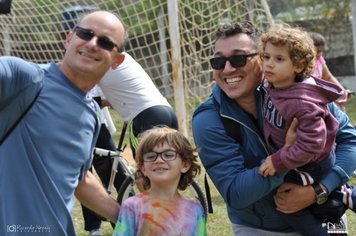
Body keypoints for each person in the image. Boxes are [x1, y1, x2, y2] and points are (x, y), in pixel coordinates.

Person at [192, 21, 356, 235]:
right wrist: (285, 158)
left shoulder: (299, 90)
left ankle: (344, 195)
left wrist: (320, 189)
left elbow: (349, 140)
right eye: (218, 61)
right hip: (260, 228)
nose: (228, 68)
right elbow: (235, 193)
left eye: (238, 58)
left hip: (326, 208)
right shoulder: (208, 119)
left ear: (261, 57)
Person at [0, 10, 127, 236]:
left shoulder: (92, 113)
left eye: (106, 42)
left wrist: (126, 217)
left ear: (117, 60)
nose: (92, 44)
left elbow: (80, 178)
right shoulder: (23, 77)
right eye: (85, 34)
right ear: (69, 38)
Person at [257, 24, 352, 235]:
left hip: (313, 164)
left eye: (279, 59)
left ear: (298, 67)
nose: (268, 64)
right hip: (299, 160)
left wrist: (278, 160)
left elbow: (312, 143)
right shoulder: (272, 84)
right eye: (266, 56)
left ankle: (341, 197)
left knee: (285, 204)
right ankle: (341, 195)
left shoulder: (302, 102)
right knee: (320, 207)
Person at [81, 53, 178, 236]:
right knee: (164, 174)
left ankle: (157, 226)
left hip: (144, 118)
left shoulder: (98, 59)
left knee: (144, 176)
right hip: (165, 110)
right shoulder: (122, 60)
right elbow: (109, 98)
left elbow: (81, 93)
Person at [112, 126, 206, 236]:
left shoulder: (195, 210)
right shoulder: (133, 207)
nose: (159, 160)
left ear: (185, 165)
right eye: (151, 156)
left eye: (168, 155)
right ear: (143, 168)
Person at [309, 32, 349, 107]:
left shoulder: (320, 60)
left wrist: (342, 91)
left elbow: (328, 77)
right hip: (312, 99)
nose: (320, 54)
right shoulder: (303, 65)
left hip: (323, 97)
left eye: (322, 51)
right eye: (317, 51)